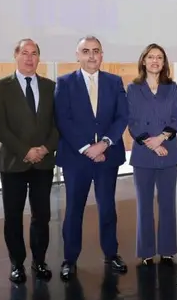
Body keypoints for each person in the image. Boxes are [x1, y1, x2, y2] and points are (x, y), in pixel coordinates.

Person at [54, 35, 130, 281]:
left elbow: (122, 117)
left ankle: (111, 253)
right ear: (77, 55)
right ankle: (70, 258)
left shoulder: (114, 81)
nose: (91, 55)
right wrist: (87, 148)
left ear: (102, 54)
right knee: (74, 209)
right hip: (77, 158)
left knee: (107, 207)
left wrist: (104, 144)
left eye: (96, 51)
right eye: (86, 51)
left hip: (107, 156)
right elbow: (63, 120)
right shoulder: (64, 83)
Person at [0, 38, 59, 283]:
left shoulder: (51, 87)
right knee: (13, 215)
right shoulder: (1, 87)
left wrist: (45, 148)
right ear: (16, 56)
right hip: (13, 162)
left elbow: (57, 123)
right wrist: (25, 150)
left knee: (42, 215)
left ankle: (39, 261)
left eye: (34, 53)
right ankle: (17, 264)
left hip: (43, 162)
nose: (29, 58)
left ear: (39, 58)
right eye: (25, 53)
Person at [126, 43, 177, 266]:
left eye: (159, 57)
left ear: (164, 62)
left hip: (168, 151)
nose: (155, 61)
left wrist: (161, 139)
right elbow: (131, 121)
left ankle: (168, 249)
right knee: (144, 204)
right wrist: (151, 143)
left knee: (168, 203)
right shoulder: (133, 88)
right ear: (143, 61)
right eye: (151, 57)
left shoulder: (172, 87)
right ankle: (146, 251)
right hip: (143, 153)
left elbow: (176, 118)